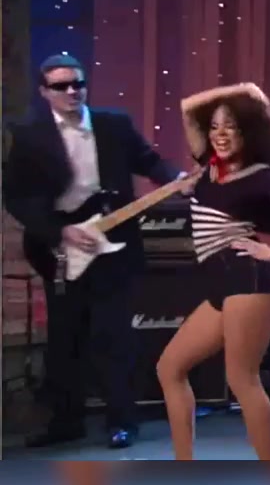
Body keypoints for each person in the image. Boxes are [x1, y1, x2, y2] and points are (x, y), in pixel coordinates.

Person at [3, 53, 182, 450]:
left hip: (113, 240)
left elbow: (149, 161)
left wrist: (176, 178)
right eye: (61, 86)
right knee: (65, 337)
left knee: (113, 334)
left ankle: (123, 422)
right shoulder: (29, 135)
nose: (72, 91)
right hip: (60, 247)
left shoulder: (113, 124)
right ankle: (66, 422)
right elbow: (16, 196)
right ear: (44, 92)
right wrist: (60, 231)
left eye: (78, 84)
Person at [156, 82, 270, 460]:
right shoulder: (208, 166)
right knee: (170, 367)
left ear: (248, 133)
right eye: (215, 126)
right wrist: (242, 90)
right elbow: (187, 105)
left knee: (241, 378)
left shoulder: (261, 177)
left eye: (231, 127)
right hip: (219, 283)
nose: (220, 135)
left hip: (248, 279)